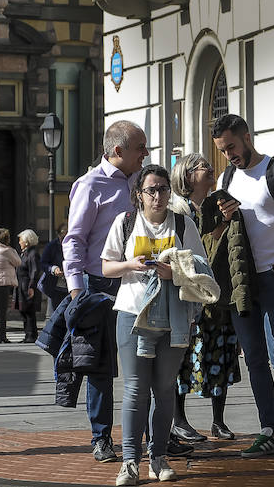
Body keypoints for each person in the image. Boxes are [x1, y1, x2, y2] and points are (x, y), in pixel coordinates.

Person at [101, 164, 209, 486]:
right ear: (139, 195)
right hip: (132, 314)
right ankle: (130, 462)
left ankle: (158, 457)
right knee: (135, 390)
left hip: (175, 317)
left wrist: (172, 273)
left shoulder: (182, 223)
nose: (158, 196)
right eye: (151, 190)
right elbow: (106, 267)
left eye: (163, 189)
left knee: (164, 390)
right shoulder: (126, 223)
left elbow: (199, 268)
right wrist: (130, 265)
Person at [212, 113, 274, 460]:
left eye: (232, 147)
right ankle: (268, 429)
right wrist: (224, 218)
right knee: (254, 358)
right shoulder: (227, 177)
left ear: (247, 137)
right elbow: (220, 232)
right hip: (243, 282)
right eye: (223, 151)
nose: (229, 156)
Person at [63, 120, 148, 463]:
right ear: (118, 151)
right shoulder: (90, 185)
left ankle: (151, 435)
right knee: (99, 368)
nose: (146, 153)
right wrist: (75, 290)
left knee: (144, 361)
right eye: (140, 147)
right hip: (99, 286)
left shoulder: (142, 183)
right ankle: (101, 438)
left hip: (138, 283)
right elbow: (75, 240)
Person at [169, 154, 242, 442]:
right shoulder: (178, 210)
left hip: (219, 295)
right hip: (189, 298)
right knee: (183, 360)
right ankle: (179, 419)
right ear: (187, 177)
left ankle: (218, 421)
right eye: (202, 167)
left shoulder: (220, 203)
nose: (210, 169)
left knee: (220, 357)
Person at [16, 229, 43, 343]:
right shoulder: (26, 253)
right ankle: (28, 335)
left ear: (26, 241)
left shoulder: (33, 254)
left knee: (29, 311)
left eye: (21, 240)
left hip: (27, 285)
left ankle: (31, 335)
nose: (19, 242)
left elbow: (34, 271)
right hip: (22, 285)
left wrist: (31, 286)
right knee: (24, 310)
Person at [41, 223, 69, 313]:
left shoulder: (75, 245)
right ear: (58, 234)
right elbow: (43, 263)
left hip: (71, 285)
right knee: (56, 313)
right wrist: (53, 269)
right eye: (63, 232)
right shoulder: (52, 246)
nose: (65, 235)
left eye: (68, 232)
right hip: (56, 286)